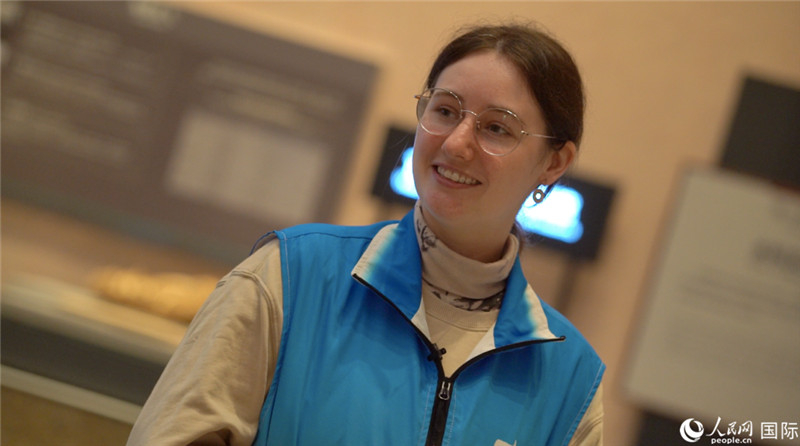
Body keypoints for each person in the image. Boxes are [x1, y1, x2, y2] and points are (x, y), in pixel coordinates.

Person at [128, 22, 604, 446]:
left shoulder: (569, 380)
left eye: (497, 128)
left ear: (555, 162)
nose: (457, 143)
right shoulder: (289, 279)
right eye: (444, 111)